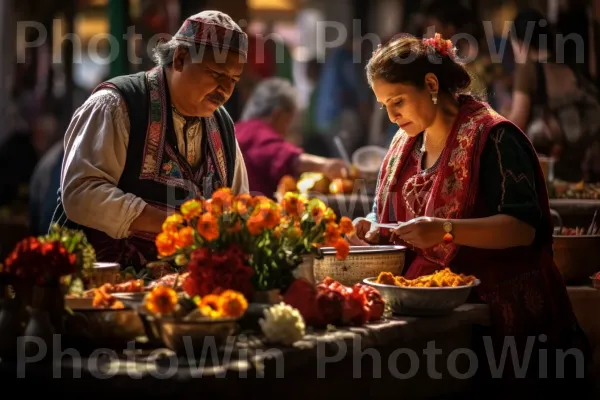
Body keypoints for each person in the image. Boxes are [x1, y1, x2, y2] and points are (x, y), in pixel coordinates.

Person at [349, 33, 591, 395]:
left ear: (431, 83)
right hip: (430, 306)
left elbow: (523, 228)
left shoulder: (494, 137)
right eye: (384, 104)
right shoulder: (405, 143)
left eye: (397, 101)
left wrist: (446, 229)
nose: (392, 115)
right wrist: (371, 221)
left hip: (503, 315)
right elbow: (389, 210)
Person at [53, 11, 250, 269]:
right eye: (216, 73)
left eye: (233, 80)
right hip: (98, 294)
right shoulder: (116, 104)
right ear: (180, 58)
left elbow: (239, 207)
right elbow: (81, 194)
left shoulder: (222, 126)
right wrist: (172, 224)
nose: (225, 89)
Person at [508, 8, 600, 182]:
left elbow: (517, 121)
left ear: (520, 41)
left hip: (548, 167)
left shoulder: (527, 68)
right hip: (581, 167)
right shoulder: (569, 65)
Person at [235, 77, 348, 198]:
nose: (288, 130)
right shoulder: (259, 133)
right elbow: (287, 157)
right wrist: (326, 165)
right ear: (278, 114)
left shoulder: (237, 128)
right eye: (289, 121)